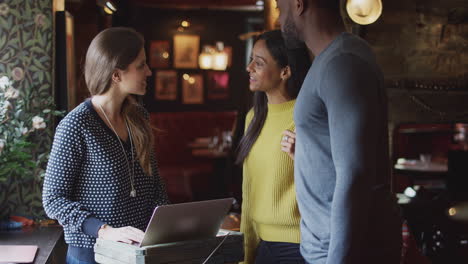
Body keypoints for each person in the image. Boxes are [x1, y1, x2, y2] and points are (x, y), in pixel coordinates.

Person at [275, 1, 402, 263]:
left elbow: (355, 174)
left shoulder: (342, 62)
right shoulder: (333, 59)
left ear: (299, 4)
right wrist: (308, 153)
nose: (278, 18)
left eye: (280, 6)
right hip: (327, 247)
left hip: (339, 251)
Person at [42, 27, 169, 264]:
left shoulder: (140, 116)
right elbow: (53, 200)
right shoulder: (76, 125)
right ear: (116, 74)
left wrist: (170, 226)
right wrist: (105, 230)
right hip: (92, 254)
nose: (149, 72)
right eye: (141, 65)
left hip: (139, 253)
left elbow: (155, 185)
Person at [236, 30, 311, 264]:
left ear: (285, 71)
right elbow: (249, 193)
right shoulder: (253, 117)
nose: (249, 68)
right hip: (262, 246)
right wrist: (246, 253)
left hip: (298, 247)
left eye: (258, 63)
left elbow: (330, 184)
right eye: (251, 61)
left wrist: (304, 159)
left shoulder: (307, 117)